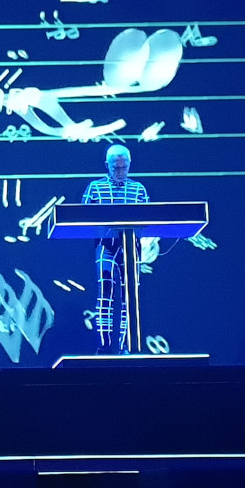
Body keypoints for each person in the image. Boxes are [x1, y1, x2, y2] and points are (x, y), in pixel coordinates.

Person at [82, 145, 149, 354]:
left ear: (129, 165)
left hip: (130, 246)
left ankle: (126, 346)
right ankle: (104, 345)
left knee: (130, 297)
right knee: (105, 292)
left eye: (124, 167)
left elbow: (149, 219)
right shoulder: (95, 187)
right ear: (107, 165)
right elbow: (81, 216)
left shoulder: (138, 189)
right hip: (106, 246)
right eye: (115, 167)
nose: (120, 171)